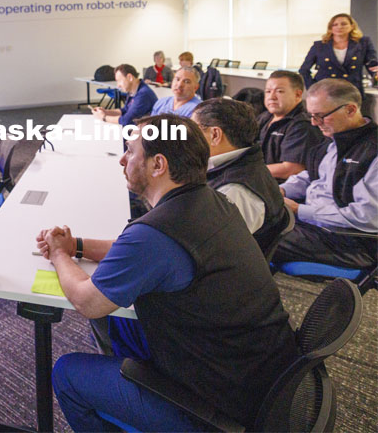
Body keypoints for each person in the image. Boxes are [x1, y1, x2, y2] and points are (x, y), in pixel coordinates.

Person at [38, 114, 298, 432]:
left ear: (158, 164)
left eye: (131, 151)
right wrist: (76, 244)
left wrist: (60, 254)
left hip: (213, 408)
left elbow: (86, 301)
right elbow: (130, 250)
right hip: (252, 375)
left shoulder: (156, 233)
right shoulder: (211, 201)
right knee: (116, 318)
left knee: (67, 372)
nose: (122, 159)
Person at [273, 79, 378, 269]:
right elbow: (312, 177)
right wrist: (281, 190)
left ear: (350, 110)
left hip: (352, 241)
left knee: (258, 234)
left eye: (320, 116)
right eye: (312, 116)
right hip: (317, 227)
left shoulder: (372, 152)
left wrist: (299, 210)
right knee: (249, 221)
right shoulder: (332, 141)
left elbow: (367, 217)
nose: (314, 123)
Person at [192, 98, 288, 253]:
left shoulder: (236, 192)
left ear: (215, 134)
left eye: (193, 130)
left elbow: (206, 249)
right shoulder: (243, 164)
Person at [258, 70, 323, 182]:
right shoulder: (265, 117)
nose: (272, 97)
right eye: (268, 91)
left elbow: (291, 169)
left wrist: (248, 171)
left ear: (297, 94)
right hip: (258, 180)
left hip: (281, 189)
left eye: (280, 91)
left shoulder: (302, 125)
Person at [299, 13, 378, 97]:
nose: (339, 27)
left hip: (352, 91)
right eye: (335, 25)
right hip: (325, 92)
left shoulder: (363, 43)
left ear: (352, 26)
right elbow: (304, 70)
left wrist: (376, 74)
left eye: (344, 24)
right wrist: (313, 87)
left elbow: (372, 65)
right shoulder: (319, 46)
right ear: (330, 28)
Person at [91, 64, 157, 126]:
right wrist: (106, 112)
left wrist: (103, 117)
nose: (118, 85)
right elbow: (125, 110)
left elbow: (126, 120)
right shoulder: (132, 90)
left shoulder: (143, 94)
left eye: (119, 81)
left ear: (130, 77)